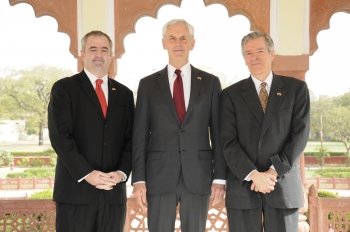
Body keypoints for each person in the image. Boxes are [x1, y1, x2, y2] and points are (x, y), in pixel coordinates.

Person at [132, 19, 226, 232]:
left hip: (199, 175)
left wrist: (219, 178)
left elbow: (219, 134)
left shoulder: (210, 83)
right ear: (163, 43)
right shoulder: (147, 85)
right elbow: (139, 136)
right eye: (172, 38)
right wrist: (138, 180)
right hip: (158, 175)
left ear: (192, 43)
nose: (178, 43)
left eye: (183, 38)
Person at [219, 31, 310, 232]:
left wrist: (271, 172)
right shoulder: (230, 95)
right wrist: (253, 174)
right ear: (244, 59)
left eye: (260, 51)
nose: (255, 57)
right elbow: (227, 141)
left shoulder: (296, 90)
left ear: (272, 54)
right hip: (243, 186)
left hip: (283, 185)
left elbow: (300, 136)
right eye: (249, 53)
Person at [48, 30, 134, 232]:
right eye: (93, 49)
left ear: (111, 55)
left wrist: (121, 173)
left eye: (104, 50)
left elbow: (131, 139)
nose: (99, 54)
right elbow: (60, 137)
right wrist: (87, 173)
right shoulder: (64, 88)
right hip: (75, 194)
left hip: (113, 195)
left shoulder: (124, 94)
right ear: (82, 53)